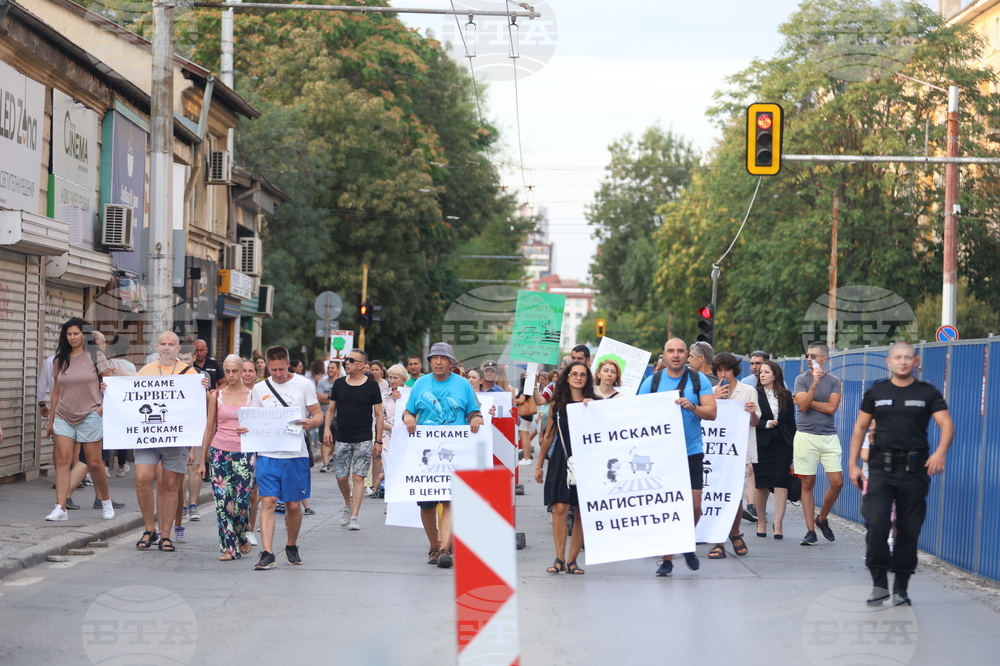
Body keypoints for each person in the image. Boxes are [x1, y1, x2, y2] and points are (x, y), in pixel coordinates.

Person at [849, 341, 954, 606]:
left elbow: (947, 425)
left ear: (915, 361)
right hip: (881, 470)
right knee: (876, 525)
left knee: (908, 530)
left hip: (914, 471)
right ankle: (879, 584)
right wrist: (851, 464)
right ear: (889, 361)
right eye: (898, 357)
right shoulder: (877, 391)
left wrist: (939, 453)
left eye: (908, 357)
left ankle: (901, 588)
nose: (903, 361)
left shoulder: (927, 392)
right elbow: (860, 428)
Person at [637, 338, 717, 576]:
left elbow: (712, 412)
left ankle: (686, 540)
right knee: (667, 507)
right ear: (664, 354)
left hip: (691, 451)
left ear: (686, 355)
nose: (675, 355)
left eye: (680, 351)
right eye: (671, 351)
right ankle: (667, 558)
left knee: (694, 506)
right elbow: (634, 414)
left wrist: (691, 406)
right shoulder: (652, 382)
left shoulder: (698, 380)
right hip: (662, 454)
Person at [402, 342, 483, 569]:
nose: (438, 362)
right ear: (429, 362)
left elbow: (474, 411)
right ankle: (434, 545)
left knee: (450, 500)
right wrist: (408, 417)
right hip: (425, 453)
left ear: (450, 362)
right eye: (434, 358)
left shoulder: (463, 385)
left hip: (454, 453)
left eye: (443, 358)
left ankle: (446, 549)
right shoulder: (420, 384)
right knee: (427, 504)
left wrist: (476, 418)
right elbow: (409, 410)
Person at [242, 346, 323, 570]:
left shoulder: (304, 384)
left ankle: (291, 545)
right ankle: (267, 553)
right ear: (267, 366)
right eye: (273, 369)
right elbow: (254, 419)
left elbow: (318, 414)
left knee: (293, 505)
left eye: (281, 369)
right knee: (267, 501)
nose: (277, 373)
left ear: (288, 364)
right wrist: (245, 430)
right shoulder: (259, 389)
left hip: (295, 454)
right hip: (268, 454)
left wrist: (311, 423)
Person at [133, 332, 206, 551]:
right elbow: (129, 397)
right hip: (148, 437)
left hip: (177, 438)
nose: (166, 348)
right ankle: (149, 529)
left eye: (171, 344)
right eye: (163, 344)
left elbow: (197, 409)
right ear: (157, 347)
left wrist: (203, 388)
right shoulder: (145, 371)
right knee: (142, 479)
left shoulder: (191, 373)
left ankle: (166, 535)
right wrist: (109, 392)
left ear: (178, 349)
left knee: (171, 485)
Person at [44, 318, 120, 522]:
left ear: (84, 335)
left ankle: (106, 502)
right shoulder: (60, 360)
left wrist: (100, 411)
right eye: (69, 334)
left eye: (76, 333)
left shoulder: (96, 355)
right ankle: (60, 507)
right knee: (62, 461)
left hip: (90, 415)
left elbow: (112, 385)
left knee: (95, 463)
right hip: (63, 416)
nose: (72, 337)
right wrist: (50, 421)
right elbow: (56, 393)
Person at [534, 362, 597, 575]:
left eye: (582, 375)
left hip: (586, 459)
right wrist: (539, 465)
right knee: (560, 507)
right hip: (562, 457)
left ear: (587, 379)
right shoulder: (558, 404)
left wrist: (595, 408)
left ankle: (572, 561)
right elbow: (548, 435)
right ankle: (559, 557)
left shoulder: (594, 403)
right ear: (567, 378)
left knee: (580, 510)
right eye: (574, 374)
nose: (578, 378)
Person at [195, 355, 255, 560]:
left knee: (242, 502)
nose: (230, 375)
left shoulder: (253, 396)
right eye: (227, 371)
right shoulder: (216, 396)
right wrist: (202, 460)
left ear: (241, 371)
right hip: (219, 452)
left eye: (234, 371)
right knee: (222, 502)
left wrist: (250, 429)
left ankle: (240, 534)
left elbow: (261, 425)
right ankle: (229, 548)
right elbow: (209, 427)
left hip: (245, 454)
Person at [322, 348, 384, 530]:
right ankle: (348, 505)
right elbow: (331, 410)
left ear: (361, 365)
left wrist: (378, 441)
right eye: (346, 359)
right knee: (341, 478)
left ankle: (355, 516)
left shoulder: (372, 386)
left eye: (350, 360)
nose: (346, 363)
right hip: (342, 437)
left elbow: (379, 415)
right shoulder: (339, 384)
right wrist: (327, 429)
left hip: (364, 438)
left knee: (358, 477)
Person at [707, 352, 760, 559]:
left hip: (739, 451)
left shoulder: (748, 391)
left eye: (726, 369)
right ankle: (718, 541)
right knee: (717, 495)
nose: (723, 374)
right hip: (717, 452)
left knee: (735, 496)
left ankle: (735, 532)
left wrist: (752, 412)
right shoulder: (712, 391)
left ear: (733, 370)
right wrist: (715, 399)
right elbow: (707, 420)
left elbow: (755, 422)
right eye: (719, 370)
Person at [793, 342, 844, 546]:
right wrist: (813, 385)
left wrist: (804, 400)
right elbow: (802, 405)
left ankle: (821, 518)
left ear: (824, 359)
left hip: (828, 437)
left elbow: (832, 408)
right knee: (807, 483)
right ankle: (810, 531)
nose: (809, 359)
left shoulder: (834, 381)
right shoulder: (801, 379)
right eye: (807, 355)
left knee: (837, 482)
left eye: (813, 356)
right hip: (806, 436)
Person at [753, 361, 796, 539]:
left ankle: (778, 524)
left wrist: (794, 450)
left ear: (774, 375)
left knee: (781, 482)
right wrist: (765, 424)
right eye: (760, 372)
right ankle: (761, 521)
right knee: (761, 484)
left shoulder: (786, 395)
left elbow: (791, 422)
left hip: (782, 445)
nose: (761, 375)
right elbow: (749, 419)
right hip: (762, 444)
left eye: (766, 372)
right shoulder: (754, 394)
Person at [240, 359, 261, 546]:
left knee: (252, 492)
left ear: (256, 373)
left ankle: (250, 529)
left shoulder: (261, 393)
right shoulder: (230, 392)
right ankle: (236, 528)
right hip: (234, 446)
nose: (247, 374)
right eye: (244, 370)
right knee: (236, 493)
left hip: (256, 445)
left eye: (250, 371)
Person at [316, 361, 340, 473]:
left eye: (332, 368)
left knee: (336, 440)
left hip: (339, 415)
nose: (330, 369)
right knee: (324, 439)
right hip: (325, 415)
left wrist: (328, 397)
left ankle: (334, 460)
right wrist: (334, 399)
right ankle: (325, 463)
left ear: (337, 370)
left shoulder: (342, 382)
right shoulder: (321, 383)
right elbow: (319, 398)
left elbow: (342, 399)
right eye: (329, 367)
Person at [515, 372, 539, 465]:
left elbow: (521, 400)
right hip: (529, 416)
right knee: (527, 437)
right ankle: (527, 456)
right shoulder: (530, 389)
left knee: (524, 437)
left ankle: (526, 458)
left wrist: (513, 400)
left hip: (523, 415)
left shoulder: (524, 390)